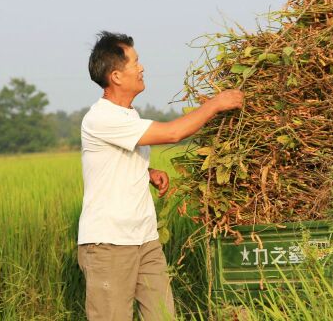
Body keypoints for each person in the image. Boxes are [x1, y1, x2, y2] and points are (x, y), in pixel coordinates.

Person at [77, 31, 244, 320]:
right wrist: (216, 104)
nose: (142, 68)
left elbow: (112, 163)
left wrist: (146, 172)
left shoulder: (129, 116)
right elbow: (173, 133)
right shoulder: (101, 117)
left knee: (163, 315)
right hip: (109, 244)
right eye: (135, 62)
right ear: (116, 76)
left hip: (145, 239)